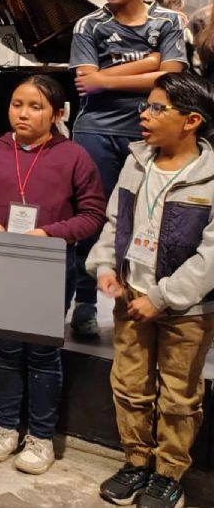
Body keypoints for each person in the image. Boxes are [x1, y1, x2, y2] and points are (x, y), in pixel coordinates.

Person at [0, 75, 106, 475]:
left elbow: (92, 214)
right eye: (17, 104)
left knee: (42, 350)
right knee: (5, 346)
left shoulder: (74, 156)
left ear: (58, 114)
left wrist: (49, 233)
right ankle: (6, 426)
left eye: (35, 106)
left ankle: (41, 436)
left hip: (50, 267)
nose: (23, 113)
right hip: (0, 264)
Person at [88, 73, 214, 508]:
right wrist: (106, 266)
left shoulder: (209, 176)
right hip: (130, 298)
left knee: (179, 395)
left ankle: (168, 473)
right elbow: (114, 222)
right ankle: (136, 462)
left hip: (187, 311)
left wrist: (161, 298)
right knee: (129, 386)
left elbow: (210, 258)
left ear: (192, 120)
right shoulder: (136, 160)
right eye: (146, 105)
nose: (145, 114)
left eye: (159, 107)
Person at [70, 0, 188, 341]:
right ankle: (85, 301)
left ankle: (151, 298)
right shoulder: (89, 25)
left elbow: (171, 77)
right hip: (97, 131)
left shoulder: (169, 22)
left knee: (148, 218)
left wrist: (108, 77)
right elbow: (86, 82)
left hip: (151, 132)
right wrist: (149, 62)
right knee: (91, 218)